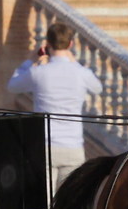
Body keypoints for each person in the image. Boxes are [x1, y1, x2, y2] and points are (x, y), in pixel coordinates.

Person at [7, 20, 103, 193]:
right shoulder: (80, 73)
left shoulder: (38, 72)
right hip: (72, 146)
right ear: (70, 44)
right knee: (69, 204)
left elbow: (13, 86)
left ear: (48, 44)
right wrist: (75, 63)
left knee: (44, 204)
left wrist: (30, 61)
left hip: (44, 147)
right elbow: (98, 87)